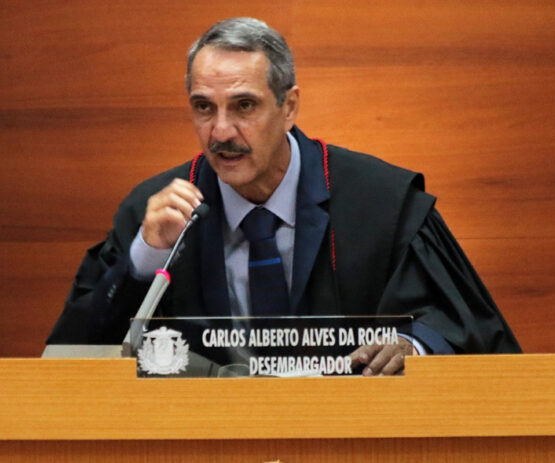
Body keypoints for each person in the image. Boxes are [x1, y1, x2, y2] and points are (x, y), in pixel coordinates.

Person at [47, 17, 521, 374]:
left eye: (244, 106)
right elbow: (71, 360)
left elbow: (465, 329)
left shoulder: (382, 202)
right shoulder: (154, 214)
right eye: (204, 108)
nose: (221, 131)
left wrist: (412, 347)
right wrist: (144, 258)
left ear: (288, 106)